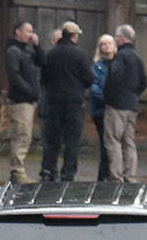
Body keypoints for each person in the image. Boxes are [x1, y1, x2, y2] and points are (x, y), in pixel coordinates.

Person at [38, 21, 95, 182]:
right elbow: (89, 79)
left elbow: (44, 78)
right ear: (75, 36)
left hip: (53, 102)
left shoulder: (51, 54)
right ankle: (68, 173)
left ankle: (49, 169)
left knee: (52, 138)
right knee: (72, 140)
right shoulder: (80, 54)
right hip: (73, 103)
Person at [102, 23, 147, 182]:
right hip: (132, 104)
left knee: (113, 140)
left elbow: (114, 76)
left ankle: (116, 176)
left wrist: (108, 95)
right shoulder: (137, 56)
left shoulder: (121, 56)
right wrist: (134, 94)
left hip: (117, 105)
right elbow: (144, 81)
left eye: (116, 37)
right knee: (129, 141)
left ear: (120, 38)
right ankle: (130, 175)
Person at [5, 21, 44, 185]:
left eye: (32, 31)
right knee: (21, 134)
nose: (31, 34)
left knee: (26, 135)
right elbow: (14, 76)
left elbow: (42, 61)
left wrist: (37, 46)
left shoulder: (26, 52)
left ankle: (19, 169)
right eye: (28, 31)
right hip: (21, 100)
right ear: (18, 32)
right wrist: (29, 90)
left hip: (29, 100)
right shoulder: (13, 51)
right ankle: (17, 170)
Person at [90, 34, 117, 180]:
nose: (106, 46)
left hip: (117, 109)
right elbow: (95, 88)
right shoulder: (96, 66)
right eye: (103, 44)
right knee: (105, 144)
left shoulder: (119, 64)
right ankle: (103, 175)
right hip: (101, 110)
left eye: (109, 43)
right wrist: (109, 100)